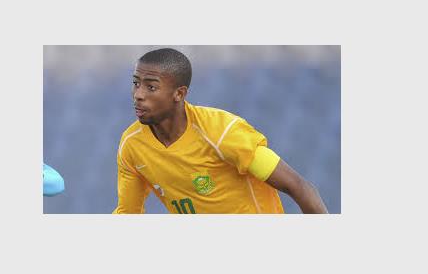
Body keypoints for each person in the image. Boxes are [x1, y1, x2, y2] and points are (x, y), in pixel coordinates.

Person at [114, 48, 328, 214]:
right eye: (136, 83)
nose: (138, 94)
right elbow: (128, 213)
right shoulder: (132, 145)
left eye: (151, 87)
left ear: (179, 94)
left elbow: (299, 187)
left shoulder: (223, 132)